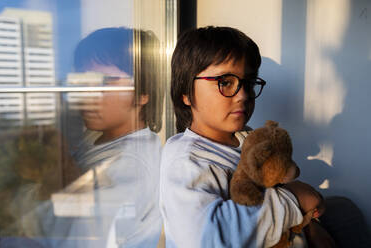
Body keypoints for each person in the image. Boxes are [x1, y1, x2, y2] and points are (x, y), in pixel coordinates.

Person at [159, 26, 333, 247]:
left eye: (249, 83)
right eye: (225, 82)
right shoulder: (186, 161)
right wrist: (293, 200)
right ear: (185, 92)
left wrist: (309, 223)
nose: (242, 95)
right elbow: (207, 237)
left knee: (344, 211)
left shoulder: (248, 138)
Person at [38, 27, 164, 248]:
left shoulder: (129, 166)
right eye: (82, 82)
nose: (87, 94)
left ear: (144, 92)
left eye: (104, 82)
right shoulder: (100, 138)